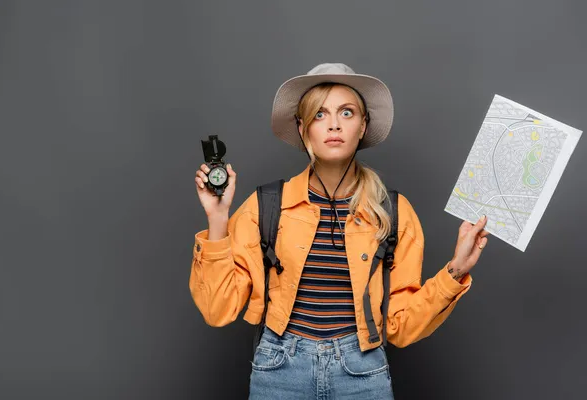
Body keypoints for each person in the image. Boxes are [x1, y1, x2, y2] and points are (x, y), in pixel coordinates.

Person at [190, 63, 489, 399]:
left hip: (362, 371)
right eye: (320, 114)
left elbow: (401, 327)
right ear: (303, 129)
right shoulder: (266, 205)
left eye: (346, 113)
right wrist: (217, 220)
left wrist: (456, 271)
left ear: (362, 126)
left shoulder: (392, 211)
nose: (333, 124)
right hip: (279, 370)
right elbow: (218, 311)